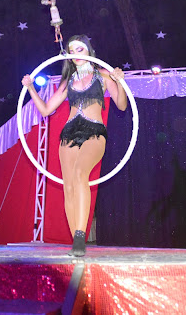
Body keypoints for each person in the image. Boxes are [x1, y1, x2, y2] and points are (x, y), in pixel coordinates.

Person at [22, 35, 127, 256]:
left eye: (80, 49)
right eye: (72, 50)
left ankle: (80, 235)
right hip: (69, 134)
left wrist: (120, 81)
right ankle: (77, 243)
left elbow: (122, 105)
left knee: (80, 173)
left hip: (94, 132)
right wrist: (30, 88)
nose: (76, 53)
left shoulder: (103, 74)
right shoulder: (68, 81)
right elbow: (46, 110)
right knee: (68, 187)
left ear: (89, 51)